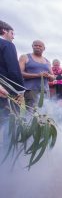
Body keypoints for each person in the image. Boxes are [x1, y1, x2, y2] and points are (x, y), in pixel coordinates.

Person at [0, 20, 24, 152]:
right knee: (10, 120)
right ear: (4, 31)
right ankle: (10, 150)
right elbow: (14, 70)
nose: (13, 37)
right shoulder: (7, 45)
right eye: (12, 33)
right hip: (7, 91)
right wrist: (19, 91)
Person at [19, 40, 54, 111]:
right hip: (31, 91)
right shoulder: (25, 57)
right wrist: (38, 75)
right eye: (35, 45)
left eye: (40, 46)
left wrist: (49, 76)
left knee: (45, 113)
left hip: (45, 90)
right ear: (32, 46)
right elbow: (20, 73)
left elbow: (53, 77)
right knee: (32, 112)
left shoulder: (47, 61)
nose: (37, 47)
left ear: (44, 48)